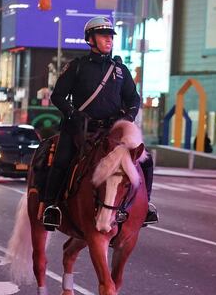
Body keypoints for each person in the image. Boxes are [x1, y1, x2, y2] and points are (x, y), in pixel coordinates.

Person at [41, 16, 158, 230]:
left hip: (110, 131)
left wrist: (127, 118)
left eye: (110, 36)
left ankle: (146, 205)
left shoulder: (120, 70)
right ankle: (51, 207)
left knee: (146, 160)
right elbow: (57, 96)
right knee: (61, 160)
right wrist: (73, 113)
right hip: (80, 128)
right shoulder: (76, 67)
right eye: (104, 36)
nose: (109, 40)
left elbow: (134, 99)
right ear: (90, 39)